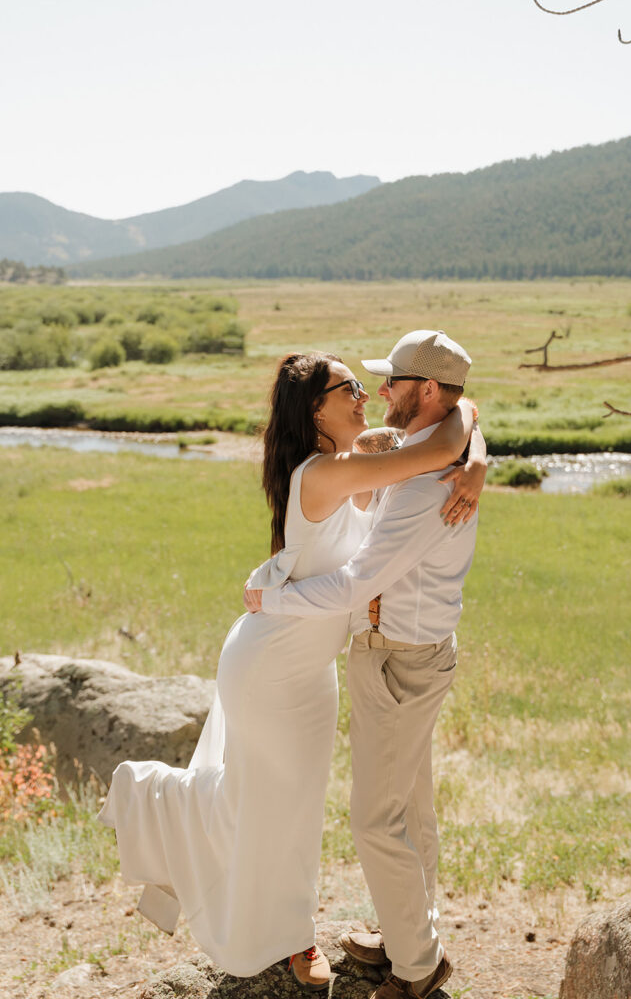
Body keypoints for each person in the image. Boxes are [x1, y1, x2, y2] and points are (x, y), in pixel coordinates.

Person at [98, 348, 485, 992]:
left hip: (311, 672)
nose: (364, 396)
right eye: (349, 389)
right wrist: (466, 449)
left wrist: (470, 451)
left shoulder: (357, 459)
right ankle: (155, 805)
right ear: (316, 410)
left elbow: (456, 419)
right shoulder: (325, 472)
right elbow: (438, 442)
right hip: (270, 662)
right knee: (255, 800)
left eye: (367, 386)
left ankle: (291, 926)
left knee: (298, 808)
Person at [245, 330, 482, 999]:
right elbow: (461, 422)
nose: (378, 394)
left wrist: (271, 597)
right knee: (410, 807)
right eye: (361, 385)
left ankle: (414, 967)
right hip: (409, 652)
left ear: (427, 391)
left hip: (398, 658)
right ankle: (406, 931)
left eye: (391, 383)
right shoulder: (421, 453)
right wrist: (476, 448)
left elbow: (355, 585)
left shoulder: (419, 486)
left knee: (377, 822)